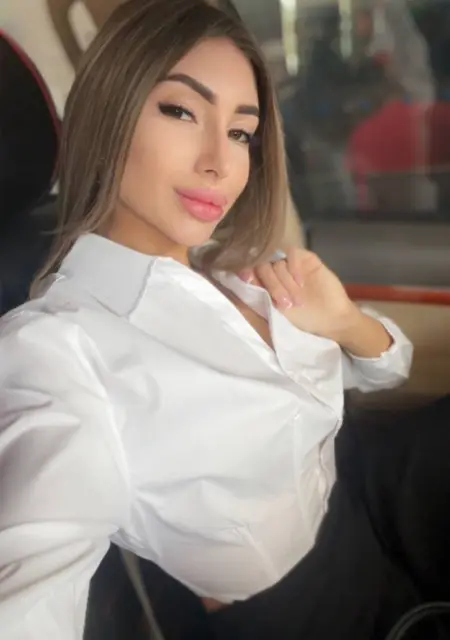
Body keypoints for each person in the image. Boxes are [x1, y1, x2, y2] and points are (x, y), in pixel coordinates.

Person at [0, 1, 449, 639]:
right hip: (306, 611)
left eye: (241, 132)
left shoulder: (237, 266)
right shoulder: (54, 350)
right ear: (107, 113)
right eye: (181, 111)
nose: (221, 162)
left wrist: (345, 321)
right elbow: (29, 590)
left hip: (359, 494)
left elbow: (388, 370)